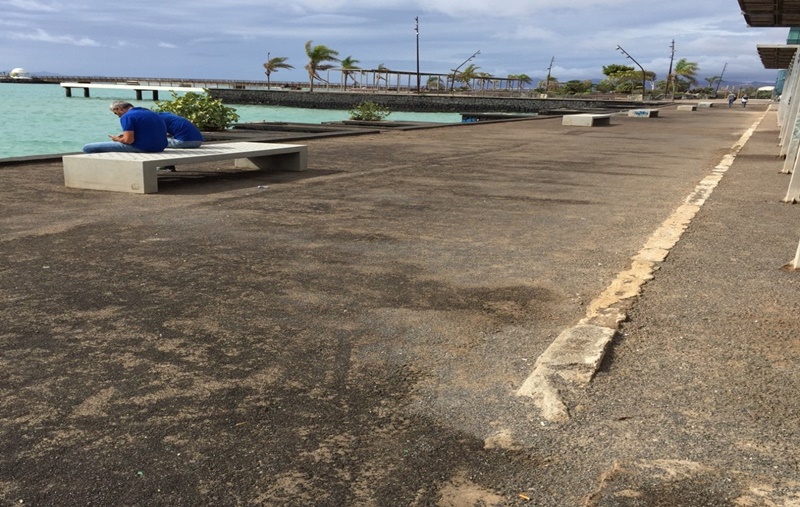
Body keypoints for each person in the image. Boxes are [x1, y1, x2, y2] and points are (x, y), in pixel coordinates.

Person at [82, 101, 167, 153]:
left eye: (116, 113)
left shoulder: (127, 116)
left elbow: (128, 141)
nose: (118, 116)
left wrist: (117, 139)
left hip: (144, 148)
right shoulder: (151, 113)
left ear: (120, 109)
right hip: (160, 147)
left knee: (88, 147)